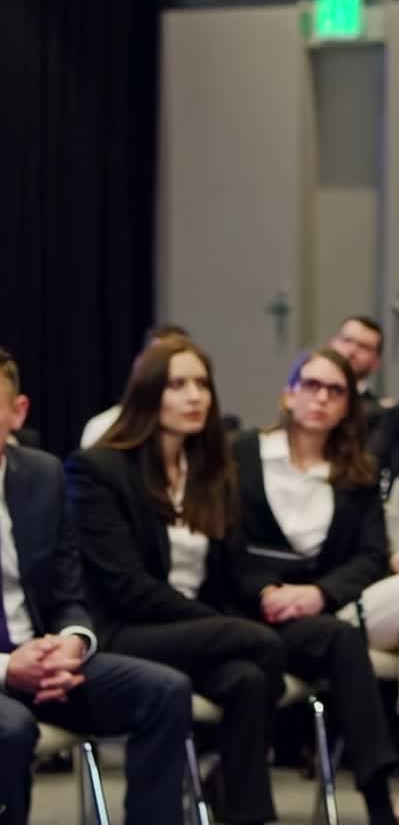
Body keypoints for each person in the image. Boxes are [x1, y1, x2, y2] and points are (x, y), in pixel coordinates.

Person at [66, 338, 285, 825]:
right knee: (262, 645)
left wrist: (262, 598)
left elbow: (233, 569)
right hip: (124, 628)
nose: (195, 397)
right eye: (178, 385)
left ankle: (242, 809)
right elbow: (126, 587)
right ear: (148, 393)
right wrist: (221, 626)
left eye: (202, 384)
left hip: (190, 630)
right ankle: (223, 784)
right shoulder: (100, 469)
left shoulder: (211, 473)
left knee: (248, 679)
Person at [0, 347, 192, 824]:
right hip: (5, 670)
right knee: (11, 729)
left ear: (17, 412)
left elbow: (69, 593)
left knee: (165, 691)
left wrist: (70, 644)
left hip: (43, 661)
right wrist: (7, 668)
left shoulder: (41, 476)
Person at [229, 347, 399, 825]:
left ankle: (377, 797)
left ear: (348, 405)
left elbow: (372, 556)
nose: (321, 399)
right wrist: (263, 591)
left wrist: (318, 594)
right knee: (335, 642)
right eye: (312, 386)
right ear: (289, 395)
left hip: (314, 613)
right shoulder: (244, 453)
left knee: (342, 639)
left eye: (335, 391)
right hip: (244, 608)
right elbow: (225, 541)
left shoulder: (357, 472)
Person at [331, 316, 399, 489]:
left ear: (376, 362)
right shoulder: (307, 403)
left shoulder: (392, 415)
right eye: (347, 340)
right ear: (332, 344)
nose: (351, 350)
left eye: (363, 346)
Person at [80, 322, 190, 448]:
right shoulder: (104, 427)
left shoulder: (205, 432)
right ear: (139, 364)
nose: (194, 396)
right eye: (159, 361)